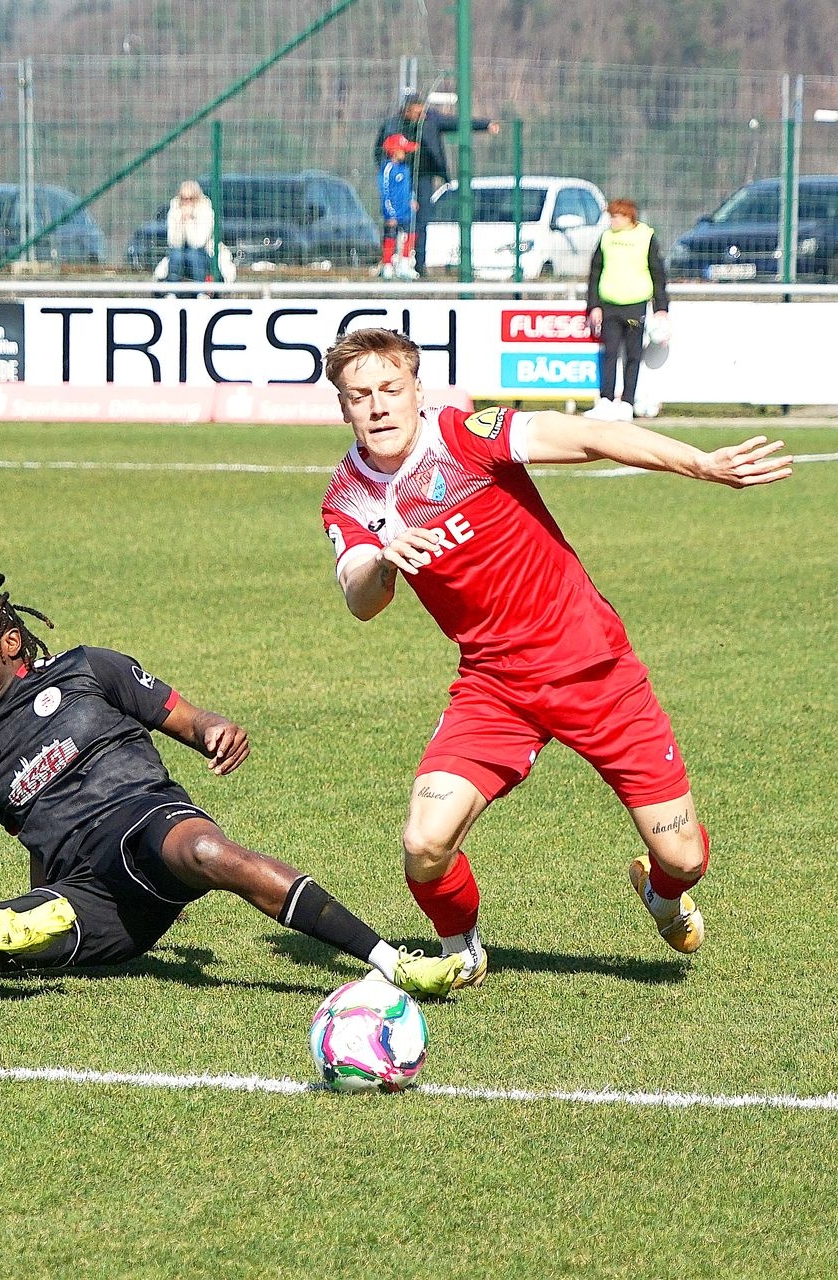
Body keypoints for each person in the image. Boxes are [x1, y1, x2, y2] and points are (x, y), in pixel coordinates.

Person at [319, 327, 792, 989]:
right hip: (495, 687)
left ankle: (662, 894)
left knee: (683, 857)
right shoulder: (348, 495)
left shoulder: (466, 436)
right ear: (343, 407)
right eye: (360, 395)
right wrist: (384, 563)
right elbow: (360, 598)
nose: (377, 406)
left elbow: (590, 436)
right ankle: (463, 950)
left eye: (390, 389)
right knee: (424, 842)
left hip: (595, 671)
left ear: (417, 391)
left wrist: (702, 464)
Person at [0, 574, 463, 997]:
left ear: (9, 644)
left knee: (207, 850)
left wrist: (215, 730)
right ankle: (3, 939)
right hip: (90, 895)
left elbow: (189, 720)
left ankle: (391, 961)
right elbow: (33, 837)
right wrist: (39, 905)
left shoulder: (88, 669)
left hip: (141, 823)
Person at [372, 95, 497, 277]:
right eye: (417, 113)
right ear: (407, 111)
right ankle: (388, 262)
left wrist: (485, 125)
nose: (421, 116)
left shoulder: (431, 120)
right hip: (401, 178)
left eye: (422, 112)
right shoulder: (392, 125)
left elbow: (456, 123)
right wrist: (389, 171)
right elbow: (379, 151)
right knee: (395, 220)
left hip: (424, 176)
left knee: (421, 220)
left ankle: (418, 264)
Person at [586, 198, 670, 421]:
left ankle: (627, 402)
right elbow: (595, 273)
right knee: (610, 353)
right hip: (609, 305)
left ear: (628, 217)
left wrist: (661, 307)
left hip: (635, 306)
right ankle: (605, 400)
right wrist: (593, 306)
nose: (612, 221)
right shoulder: (606, 238)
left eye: (616, 216)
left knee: (633, 354)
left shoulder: (645, 237)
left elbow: (657, 273)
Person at [377, 134, 418, 280]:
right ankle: (387, 265)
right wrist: (390, 213)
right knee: (390, 237)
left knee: (410, 235)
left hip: (406, 211)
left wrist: (412, 200)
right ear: (394, 151)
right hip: (393, 212)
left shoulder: (405, 168)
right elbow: (386, 192)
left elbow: (408, 188)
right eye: (403, 150)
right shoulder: (388, 169)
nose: (405, 153)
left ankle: (405, 265)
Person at [164, 180, 215, 288]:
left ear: (197, 198)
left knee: (194, 255)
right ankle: (172, 290)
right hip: (180, 250)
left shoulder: (205, 210)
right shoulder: (175, 209)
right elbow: (173, 242)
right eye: (184, 198)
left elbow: (198, 243)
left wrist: (189, 222)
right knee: (176, 255)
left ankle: (200, 290)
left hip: (202, 251)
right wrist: (181, 222)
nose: (187, 202)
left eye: (191, 198)